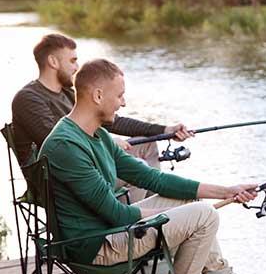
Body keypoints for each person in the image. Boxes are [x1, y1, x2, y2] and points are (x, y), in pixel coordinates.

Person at [39, 58, 266, 274]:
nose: (123, 103)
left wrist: (226, 190)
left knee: (188, 201)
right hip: (98, 247)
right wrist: (169, 217)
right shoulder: (67, 145)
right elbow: (117, 214)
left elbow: (154, 180)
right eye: (120, 95)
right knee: (204, 216)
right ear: (98, 95)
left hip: (108, 231)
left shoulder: (96, 135)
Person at [12, 33, 192, 202]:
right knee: (137, 168)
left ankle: (156, 214)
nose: (76, 67)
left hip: (89, 161)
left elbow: (115, 121)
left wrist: (164, 130)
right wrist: (111, 143)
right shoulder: (28, 98)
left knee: (146, 144)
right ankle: (128, 227)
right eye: (72, 61)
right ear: (53, 61)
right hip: (61, 179)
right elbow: (56, 142)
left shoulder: (68, 93)